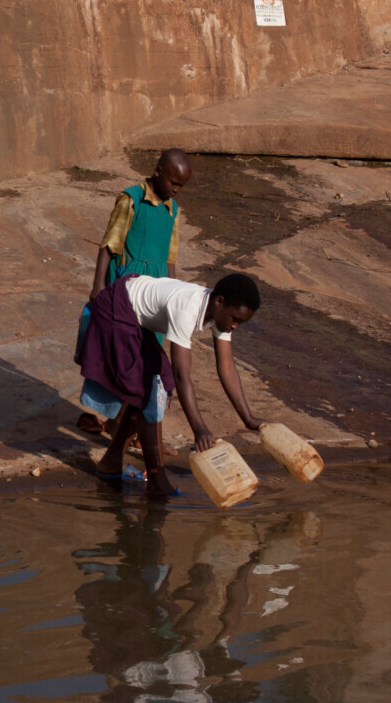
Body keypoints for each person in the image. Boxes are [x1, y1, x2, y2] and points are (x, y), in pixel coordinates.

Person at [75, 272, 263, 500]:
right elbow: (181, 376)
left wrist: (248, 418)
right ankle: (156, 480)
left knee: (149, 388)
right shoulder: (187, 307)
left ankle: (111, 462)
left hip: (135, 318)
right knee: (151, 390)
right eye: (235, 319)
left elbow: (227, 367)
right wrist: (199, 428)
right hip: (116, 309)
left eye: (241, 322)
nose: (235, 326)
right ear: (220, 301)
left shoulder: (220, 315)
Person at [79, 149, 192, 444]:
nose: (176, 190)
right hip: (127, 289)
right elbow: (109, 244)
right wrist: (98, 286)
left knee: (148, 358)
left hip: (157, 291)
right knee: (122, 355)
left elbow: (170, 256)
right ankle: (117, 421)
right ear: (158, 171)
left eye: (181, 186)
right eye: (173, 183)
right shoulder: (131, 200)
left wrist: (173, 292)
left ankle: (130, 426)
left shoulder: (172, 210)